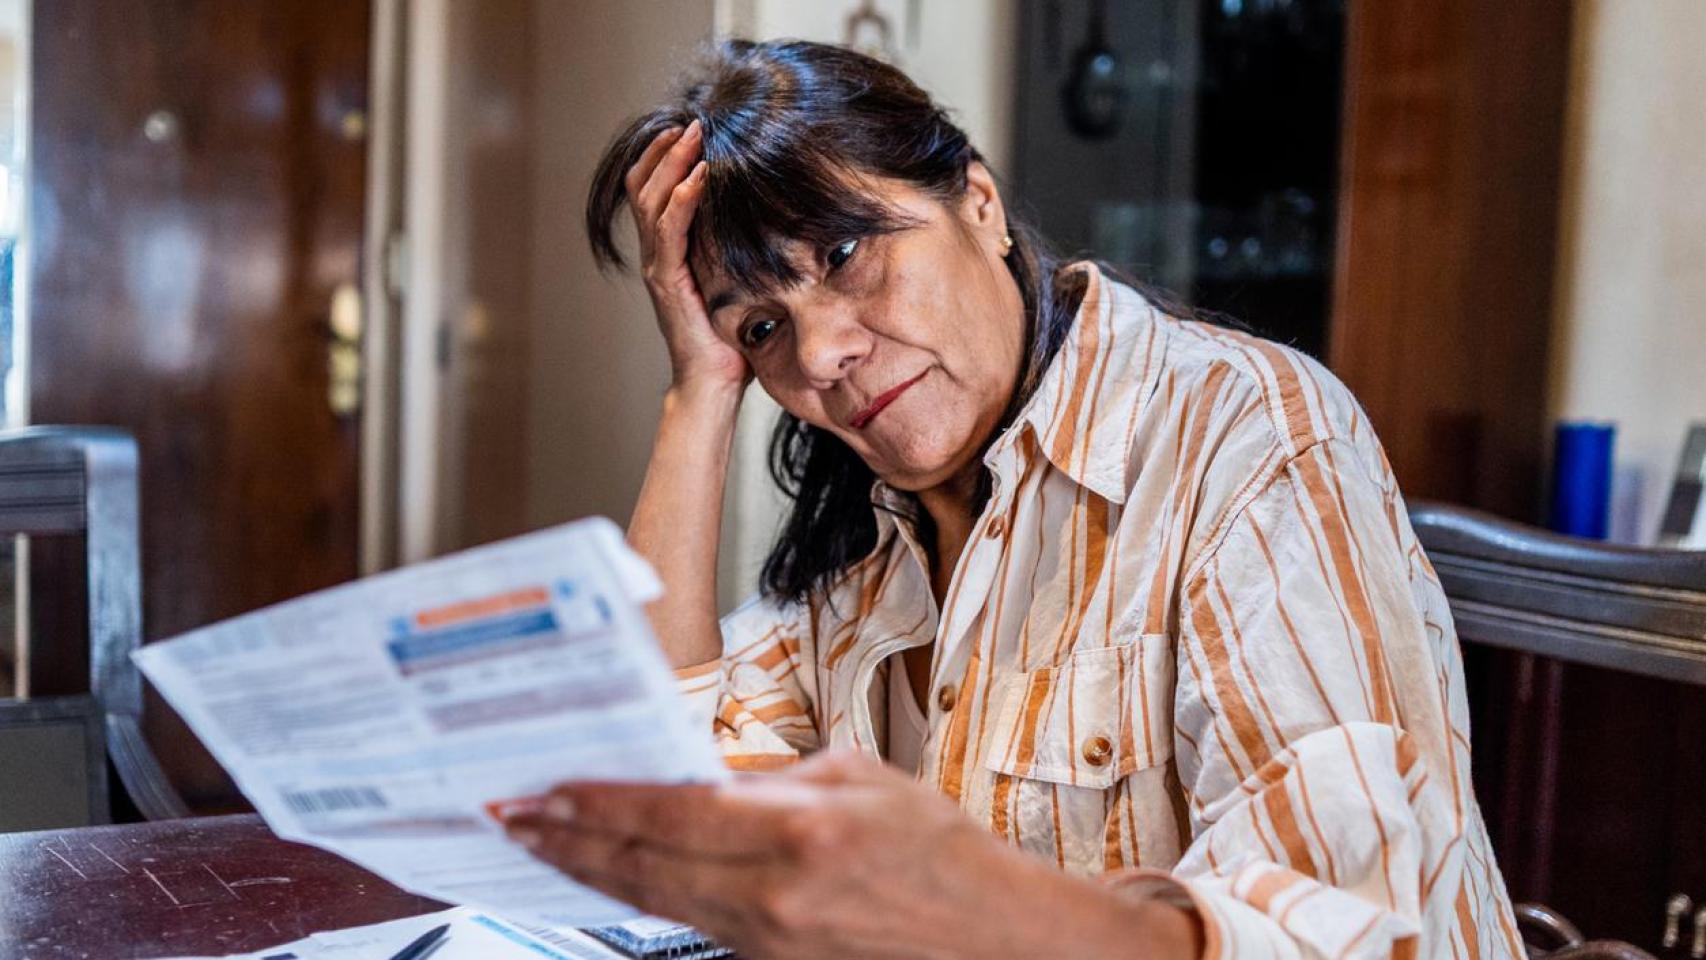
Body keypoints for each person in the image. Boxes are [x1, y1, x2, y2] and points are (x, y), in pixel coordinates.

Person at [502, 39, 1520, 959]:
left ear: (978, 204)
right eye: (761, 328)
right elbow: (654, 781)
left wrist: (976, 902)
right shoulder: (866, 542)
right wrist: (698, 388)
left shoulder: (1244, 435)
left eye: (847, 256)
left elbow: (1348, 922)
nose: (820, 355)